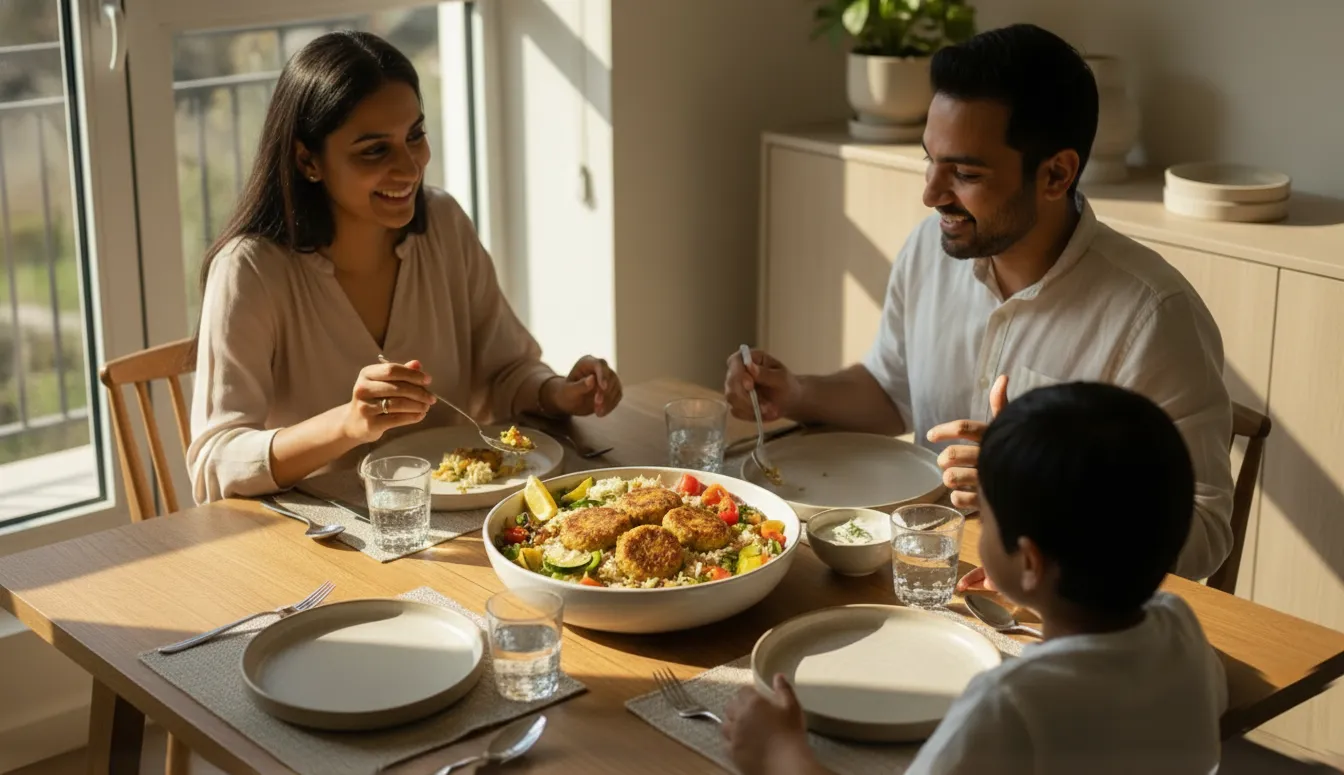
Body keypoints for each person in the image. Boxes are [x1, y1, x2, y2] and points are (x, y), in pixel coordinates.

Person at [723, 24, 1234, 581]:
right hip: (921, 568)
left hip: (1054, 610)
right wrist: (795, 393)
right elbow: (893, 392)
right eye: (930, 160)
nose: (931, 194)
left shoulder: (1152, 316)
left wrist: (1037, 498)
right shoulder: (929, 248)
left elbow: (1203, 533)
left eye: (965, 173)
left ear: (1056, 174)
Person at [188, 31, 622, 503]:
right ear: (307, 159)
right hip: (319, 537)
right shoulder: (248, 271)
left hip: (457, 525)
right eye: (375, 150)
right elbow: (216, 462)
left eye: (415, 135)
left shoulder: (445, 225)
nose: (410, 167)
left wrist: (558, 392)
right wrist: (347, 424)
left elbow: (507, 370)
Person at [722, 382, 1228, 775]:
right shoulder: (1181, 628)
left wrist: (779, 754)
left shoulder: (1006, 704)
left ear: (1030, 562)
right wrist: (1049, 593)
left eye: (986, 513)